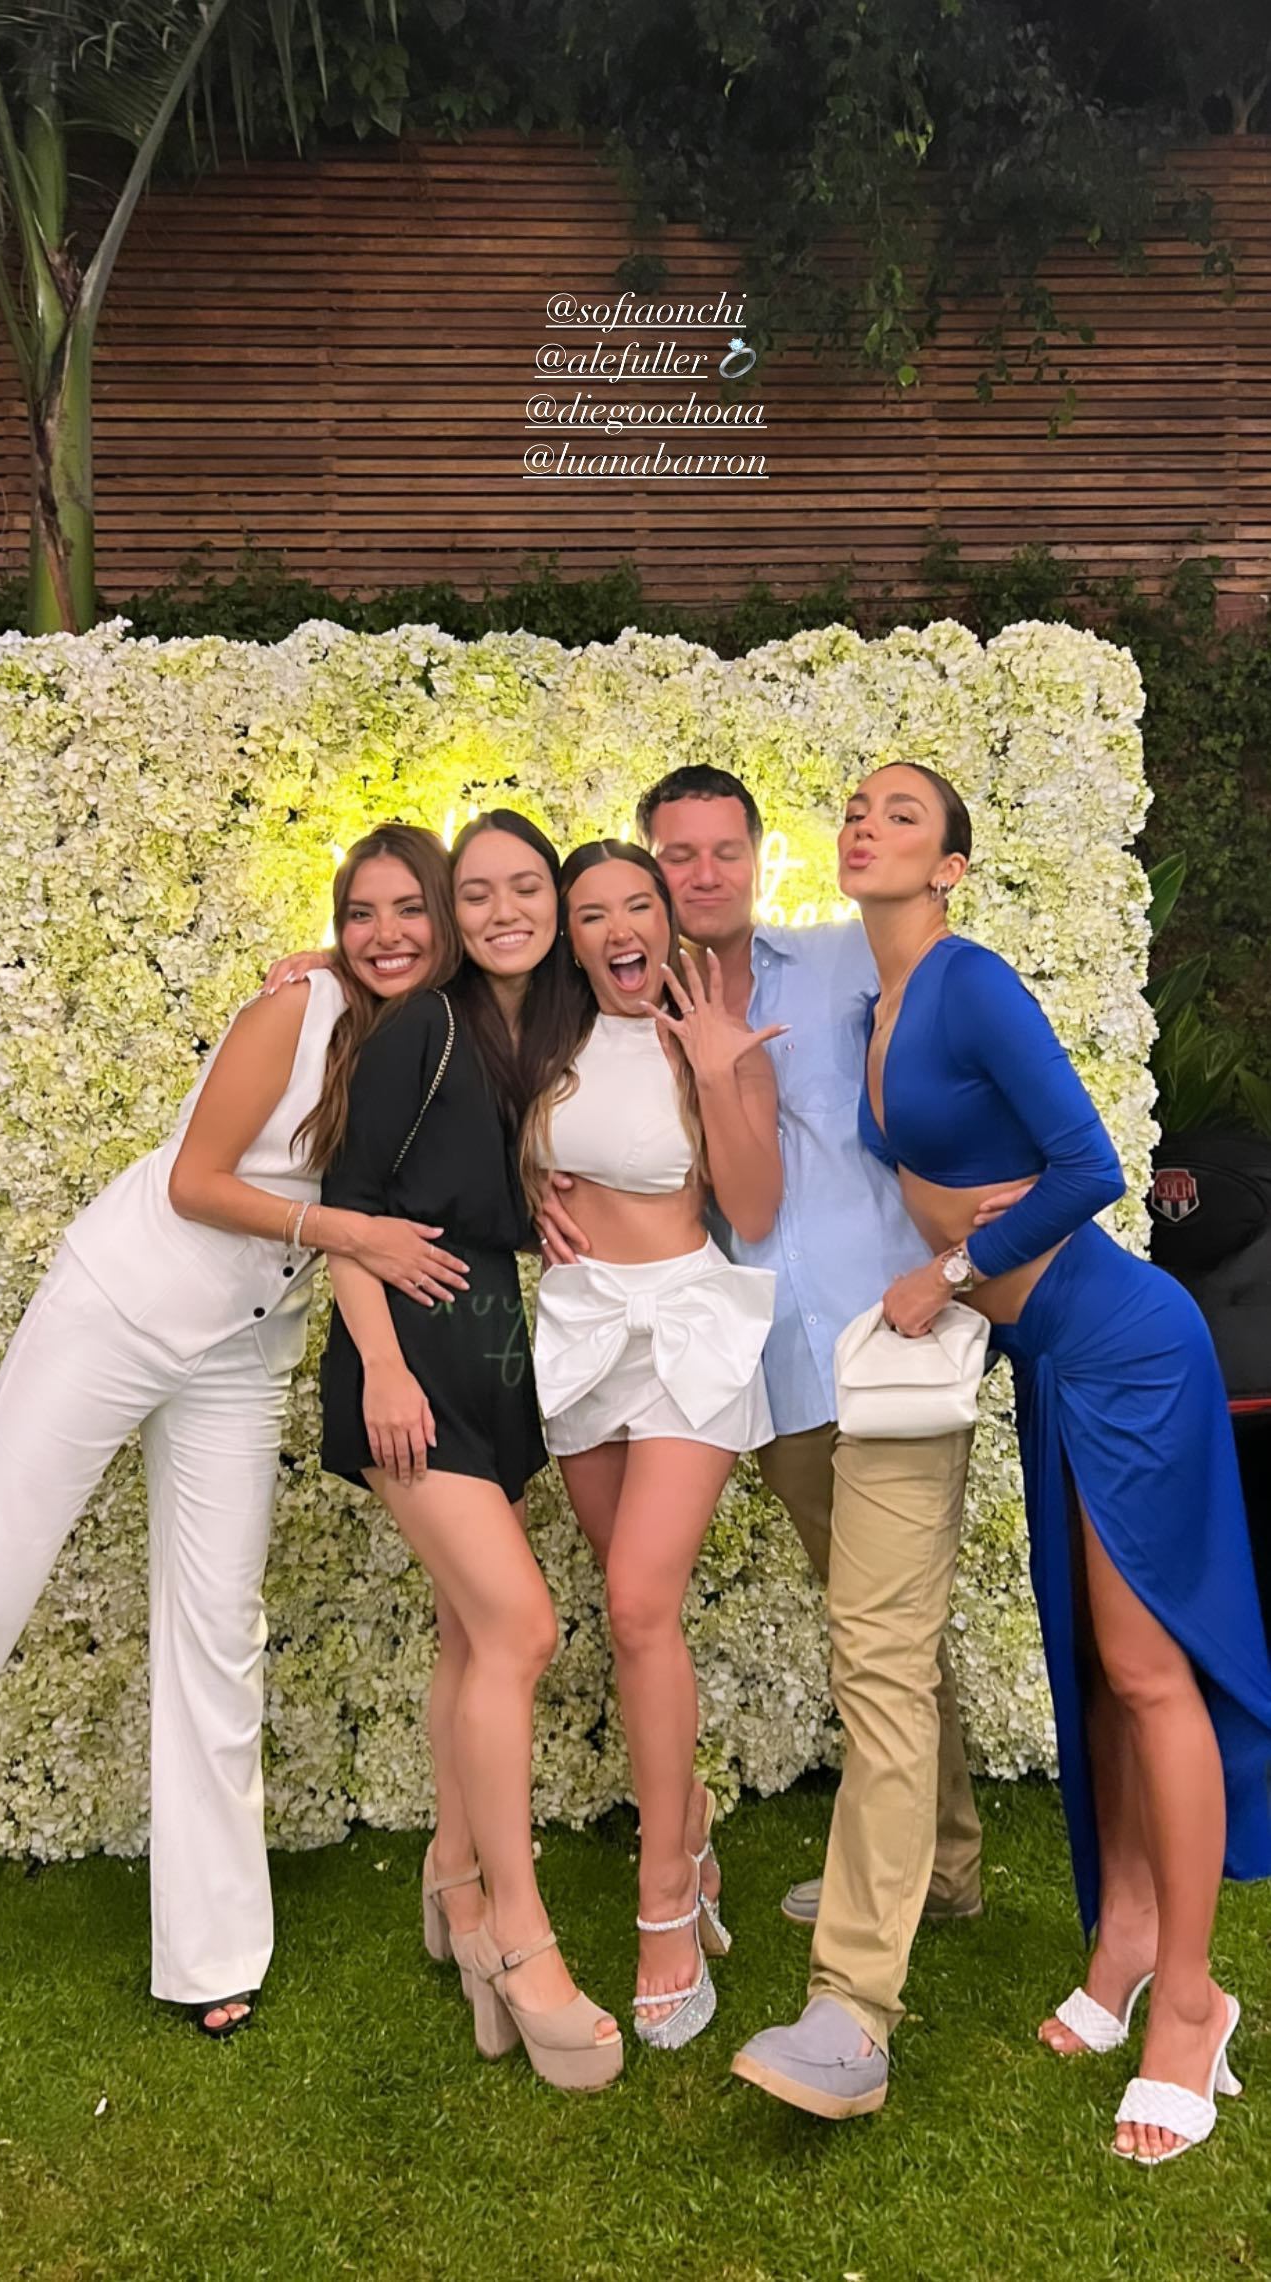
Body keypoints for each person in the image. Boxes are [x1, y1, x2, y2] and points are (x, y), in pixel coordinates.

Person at [740, 761, 1271, 2160]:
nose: (868, 824)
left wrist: (954, 1269)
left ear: (952, 866)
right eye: (857, 809)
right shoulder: (879, 999)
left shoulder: (968, 982)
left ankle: (1194, 2002)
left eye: (903, 815)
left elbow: (1091, 1163)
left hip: (1125, 1346)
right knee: (1097, 1669)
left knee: (1150, 1670)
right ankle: (1127, 1940)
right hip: (1052, 1362)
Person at [540, 769, 1018, 2095]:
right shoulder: (625, 1010)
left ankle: (851, 2004)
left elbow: (966, 1041)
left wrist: (1001, 1213)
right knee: (882, 1628)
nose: (701, 874)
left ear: (757, 856)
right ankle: (949, 1861)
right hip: (774, 1365)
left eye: (722, 850)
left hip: (896, 1338)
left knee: (876, 1650)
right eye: (676, 856)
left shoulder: (849, 964)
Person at [0, 823, 465, 2036]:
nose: (385, 933)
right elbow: (196, 1180)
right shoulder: (295, 1007)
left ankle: (211, 1952)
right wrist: (349, 1234)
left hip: (245, 1349)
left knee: (218, 1626)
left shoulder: (441, 1034)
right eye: (361, 912)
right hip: (122, 1303)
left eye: (409, 908)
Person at [318, 811, 624, 2093]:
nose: (504, 911)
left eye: (526, 887)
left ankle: (452, 1878)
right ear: (456, 911)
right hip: (411, 1362)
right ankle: (519, 1933)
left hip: (493, 1351)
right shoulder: (422, 1028)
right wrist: (384, 1367)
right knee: (520, 1627)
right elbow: (346, 1207)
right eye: (478, 891)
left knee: (467, 1635)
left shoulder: (531, 1034)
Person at [527, 839, 783, 2048]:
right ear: (570, 938)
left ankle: (665, 1898)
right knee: (636, 1617)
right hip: (582, 1329)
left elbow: (757, 1206)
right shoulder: (535, 1035)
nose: (620, 927)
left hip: (686, 1325)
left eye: (640, 904)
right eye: (593, 913)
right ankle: (694, 1830)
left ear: (669, 920)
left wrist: (721, 1069)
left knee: (638, 1601)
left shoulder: (709, 1031)